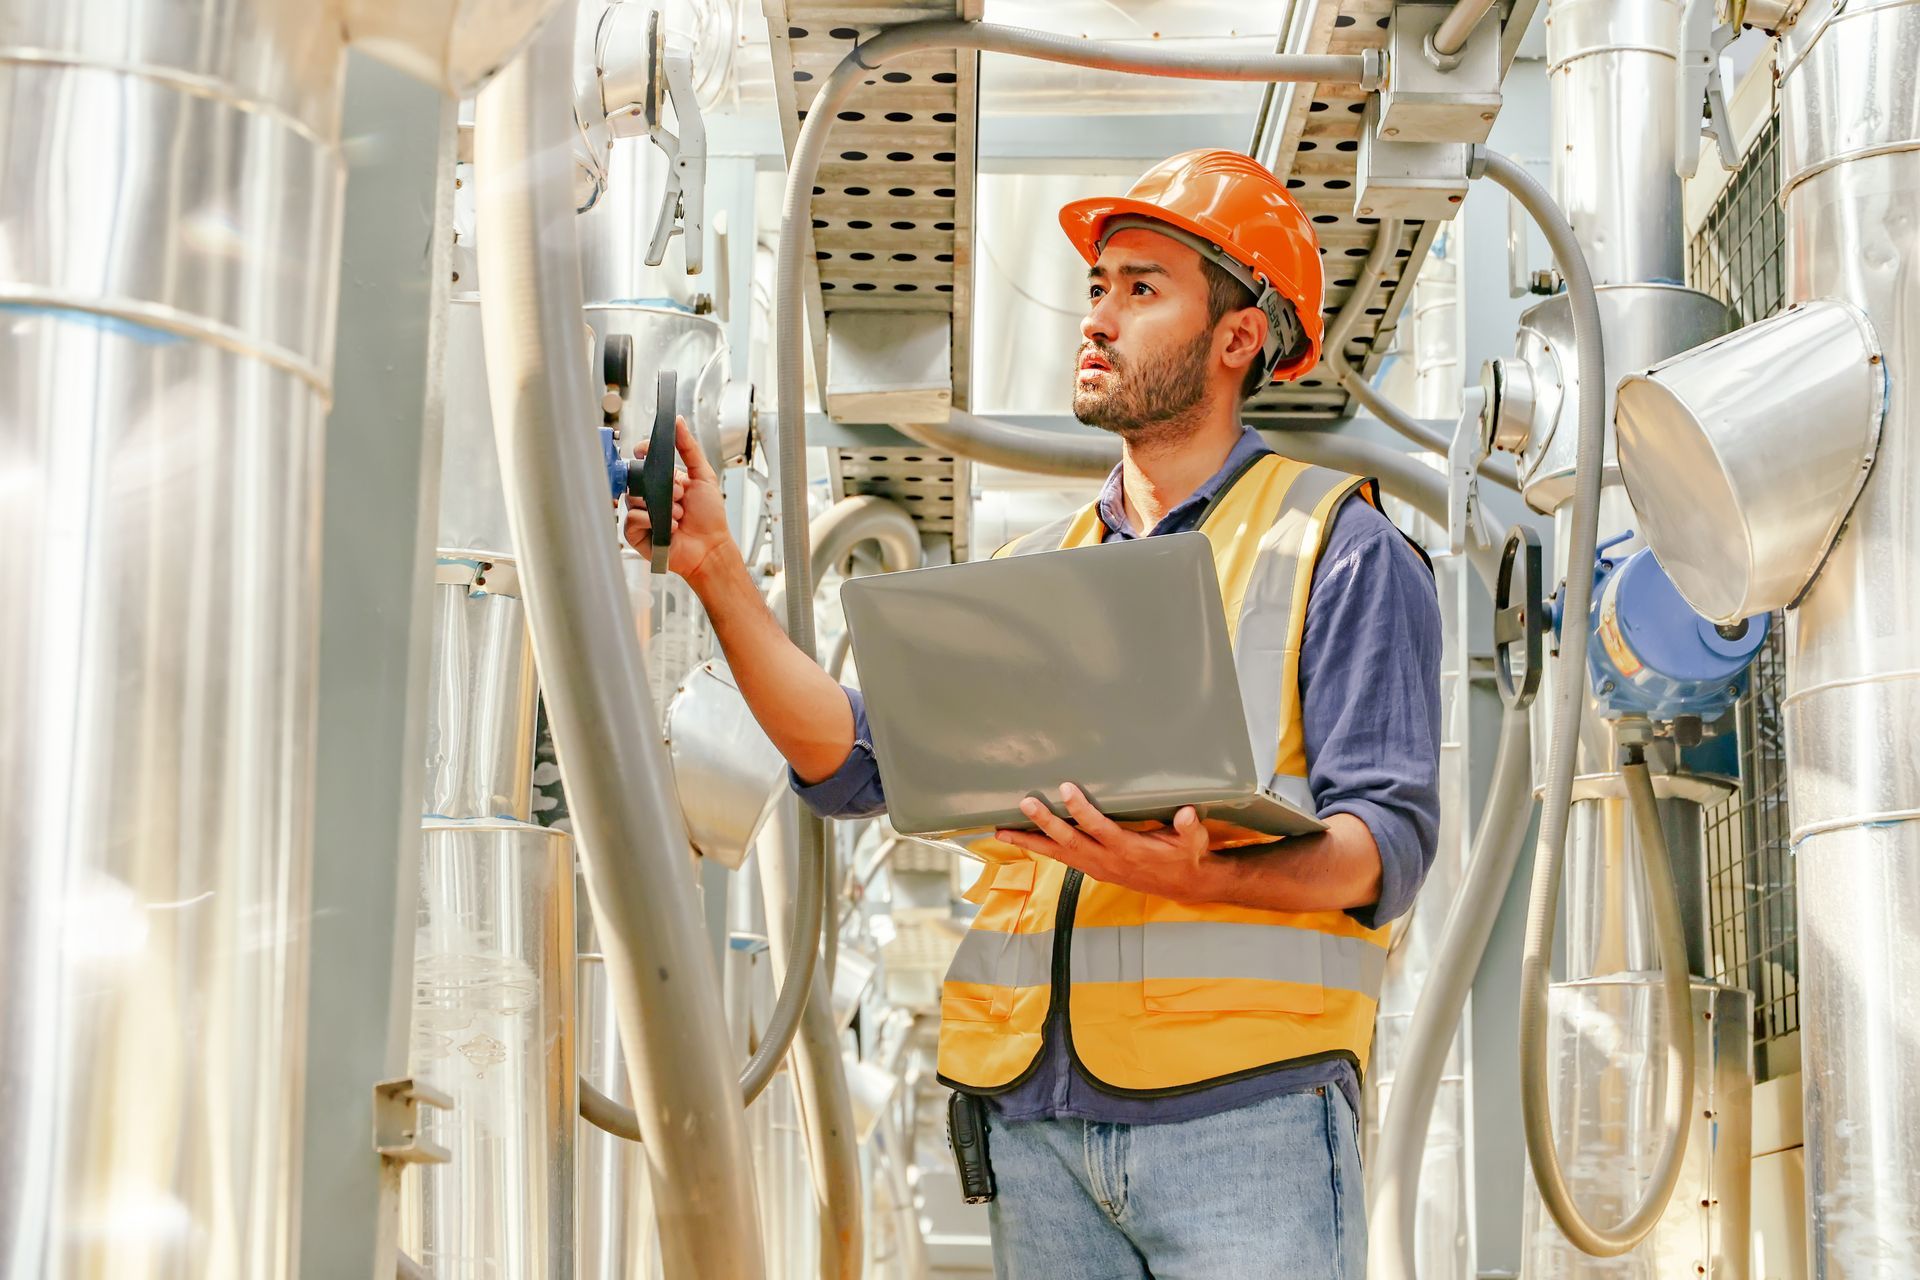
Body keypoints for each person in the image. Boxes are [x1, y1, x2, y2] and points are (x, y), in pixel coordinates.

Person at [626, 149, 1441, 1279]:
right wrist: (716, 569)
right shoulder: (1036, 568)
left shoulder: (1339, 546)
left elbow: (1385, 845)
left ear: (1237, 336)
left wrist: (1207, 878)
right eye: (1097, 286)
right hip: (1035, 1127)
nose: (1097, 315)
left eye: (1141, 288)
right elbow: (862, 759)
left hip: (1245, 1123)